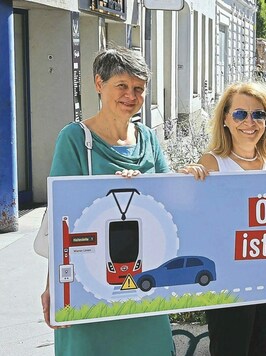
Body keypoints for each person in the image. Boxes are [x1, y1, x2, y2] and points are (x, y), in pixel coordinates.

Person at [41, 47, 174, 355]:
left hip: (145, 286)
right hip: (91, 288)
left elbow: (170, 201)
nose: (131, 95)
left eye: (138, 89)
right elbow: (62, 215)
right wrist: (54, 287)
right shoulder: (75, 140)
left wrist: (191, 176)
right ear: (99, 84)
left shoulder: (149, 140)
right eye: (122, 86)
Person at [180, 82, 266, 356]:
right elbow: (191, 217)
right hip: (227, 282)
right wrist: (186, 181)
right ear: (225, 119)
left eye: (258, 114)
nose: (249, 122)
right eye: (240, 114)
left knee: (260, 349)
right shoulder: (212, 163)